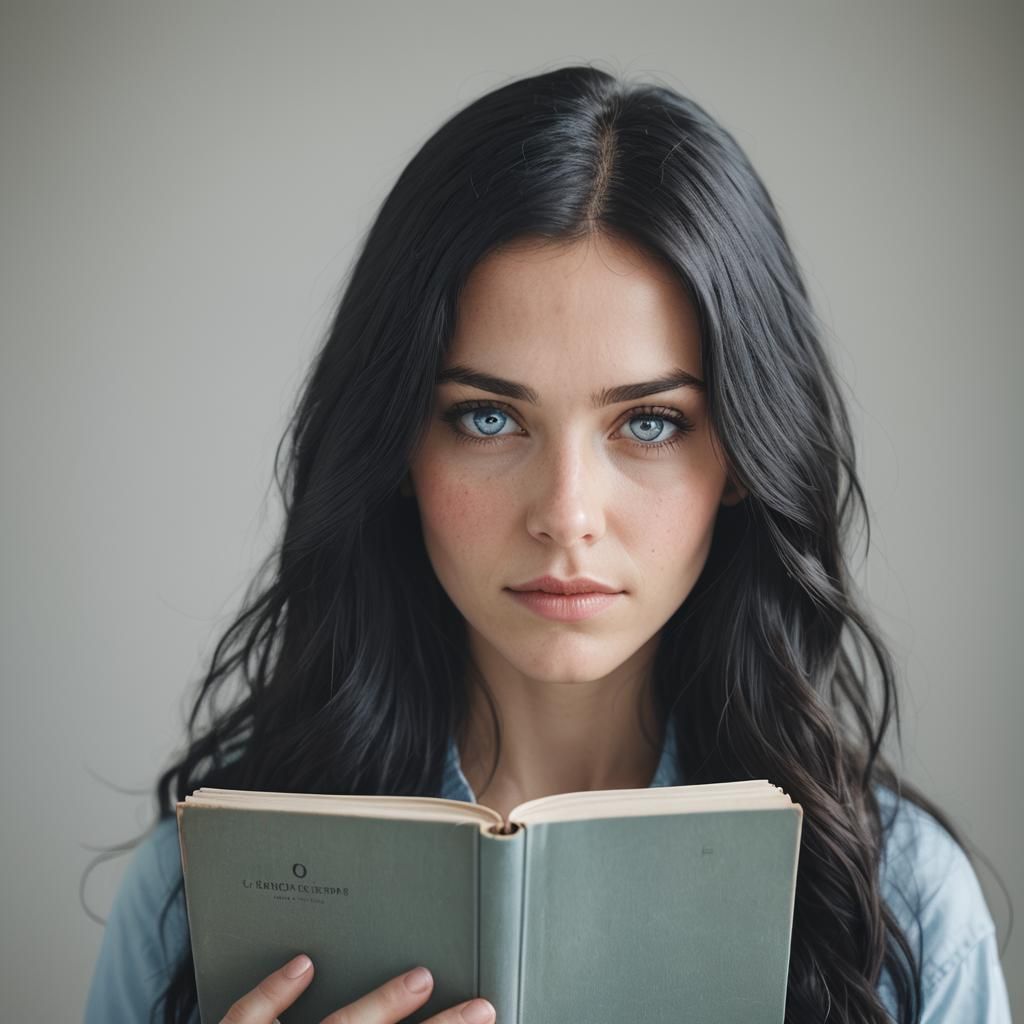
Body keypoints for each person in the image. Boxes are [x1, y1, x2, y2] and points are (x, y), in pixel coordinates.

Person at [82, 64, 1012, 1024]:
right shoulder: (198, 897)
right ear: (398, 446)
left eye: (649, 423)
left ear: (741, 455)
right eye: (487, 418)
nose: (567, 515)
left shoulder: (901, 910)